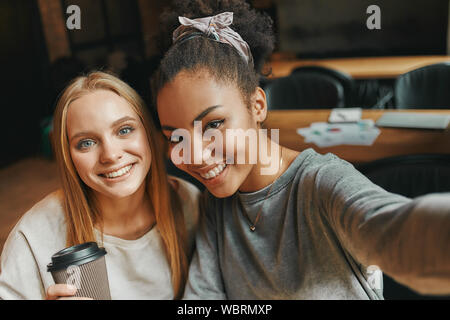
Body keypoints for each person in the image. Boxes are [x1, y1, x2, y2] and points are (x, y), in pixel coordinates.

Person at [152, 0, 450, 299]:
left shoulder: (322, 183)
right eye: (176, 137)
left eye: (214, 124)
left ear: (257, 105)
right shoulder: (215, 206)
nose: (196, 156)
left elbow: (392, 228)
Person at [0, 71, 200, 299]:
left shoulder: (189, 203)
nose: (111, 154)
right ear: (68, 157)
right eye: (86, 143)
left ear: (148, 132)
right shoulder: (34, 236)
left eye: (124, 130)